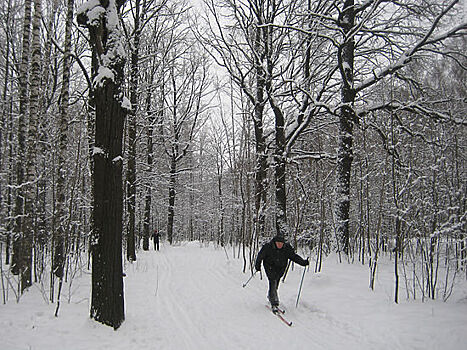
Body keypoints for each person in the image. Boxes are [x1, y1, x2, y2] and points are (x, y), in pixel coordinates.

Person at [255, 235, 309, 311]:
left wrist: (303, 262)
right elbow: (260, 256)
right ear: (275, 242)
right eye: (278, 243)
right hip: (269, 266)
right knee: (272, 281)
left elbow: (294, 257)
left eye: (281, 243)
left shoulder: (286, 248)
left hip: (280, 268)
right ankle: (274, 303)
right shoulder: (268, 247)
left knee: (276, 283)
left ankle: (271, 296)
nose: (280, 245)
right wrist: (257, 265)